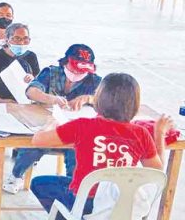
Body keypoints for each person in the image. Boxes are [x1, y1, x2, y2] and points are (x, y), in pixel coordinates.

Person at [30, 73, 173, 215]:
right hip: (120, 205)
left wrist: (49, 124)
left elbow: (38, 140)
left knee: (38, 184)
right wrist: (159, 133)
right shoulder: (141, 134)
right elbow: (157, 172)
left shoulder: (82, 126)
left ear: (99, 98)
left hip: (85, 202)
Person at [3, 44, 103, 195]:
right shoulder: (50, 73)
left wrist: (88, 98)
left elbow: (106, 102)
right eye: (74, 68)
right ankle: (16, 175)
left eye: (82, 70)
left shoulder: (95, 81)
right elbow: (31, 91)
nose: (77, 72)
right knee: (34, 145)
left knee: (78, 151)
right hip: (48, 125)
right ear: (65, 62)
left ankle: (73, 186)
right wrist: (51, 98)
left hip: (75, 131)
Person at [0, 23, 40, 102]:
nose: (21, 43)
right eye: (16, 38)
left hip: (23, 101)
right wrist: (1, 101)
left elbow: (39, 84)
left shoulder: (31, 56)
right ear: (7, 39)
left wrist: (32, 79)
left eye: (25, 39)